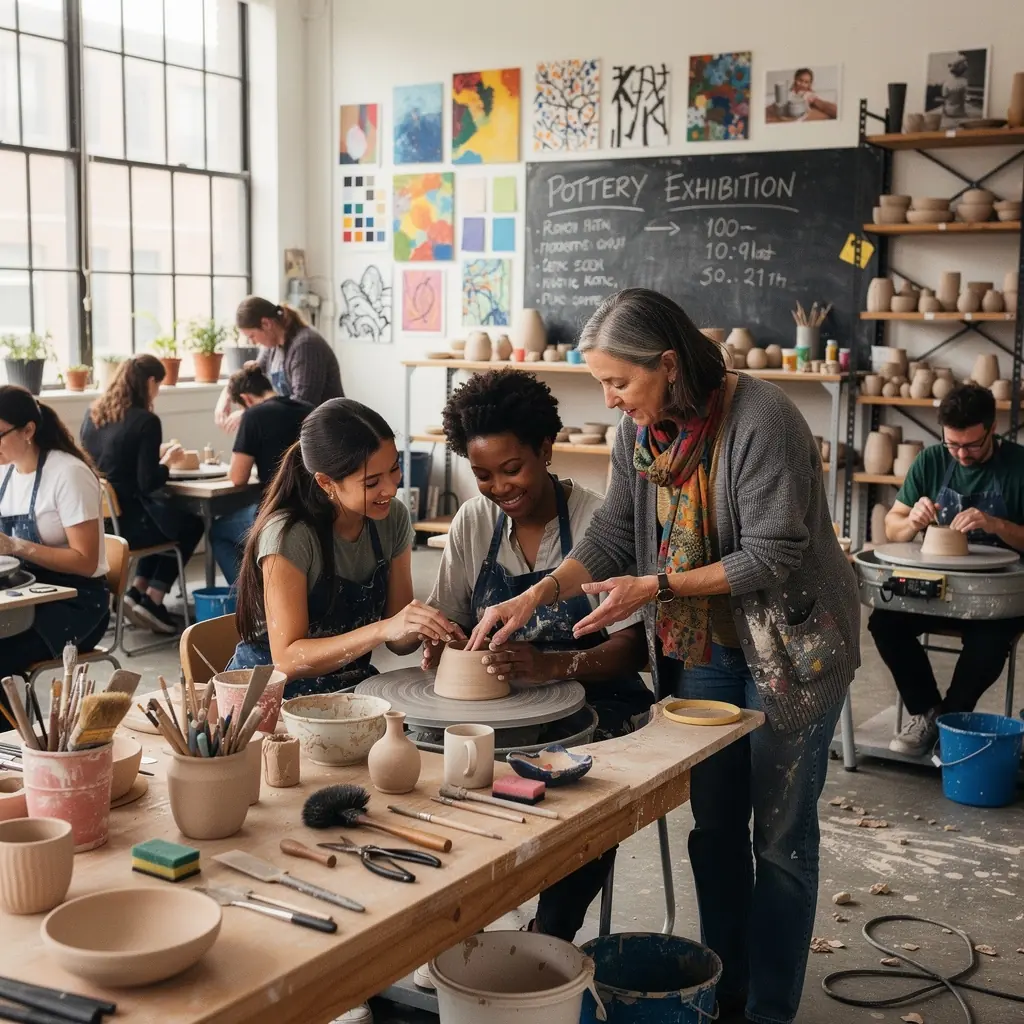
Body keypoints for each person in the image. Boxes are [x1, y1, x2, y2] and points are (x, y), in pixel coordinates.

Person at [468, 289, 860, 1024]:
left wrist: (657, 585)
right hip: (702, 644)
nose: (609, 399)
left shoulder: (762, 420)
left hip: (790, 646)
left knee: (780, 839)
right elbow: (616, 531)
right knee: (715, 831)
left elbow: (773, 554)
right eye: (602, 383)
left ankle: (769, 1011)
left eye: (619, 381)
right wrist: (539, 594)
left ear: (669, 365)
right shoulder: (639, 434)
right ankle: (727, 993)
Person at [423, 367, 652, 947]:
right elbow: (450, 621)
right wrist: (439, 639)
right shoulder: (474, 521)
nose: (499, 487)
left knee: (589, 793)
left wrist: (552, 666)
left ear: (546, 449)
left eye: (512, 468)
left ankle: (549, 936)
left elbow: (632, 648)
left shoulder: (598, 521)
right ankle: (453, 931)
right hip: (499, 702)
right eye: (482, 475)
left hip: (594, 700)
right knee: (433, 772)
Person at [228, 398, 456, 698]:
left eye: (394, 469)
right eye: (372, 482)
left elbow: (399, 643)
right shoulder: (289, 534)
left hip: (347, 684)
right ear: (326, 483)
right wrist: (382, 629)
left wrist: (427, 627)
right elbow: (288, 659)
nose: (391, 488)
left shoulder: (392, 518)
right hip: (270, 695)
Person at [870, 384, 1024, 756]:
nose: (961, 454)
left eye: (971, 445)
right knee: (885, 622)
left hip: (997, 594)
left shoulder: (1019, 466)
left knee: (990, 642)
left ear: (992, 428)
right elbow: (892, 527)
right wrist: (912, 521)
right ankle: (927, 712)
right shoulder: (931, 461)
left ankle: (951, 721)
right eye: (953, 444)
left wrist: (996, 524)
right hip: (937, 586)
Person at [81, 354, 203, 635]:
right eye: (158, 384)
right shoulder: (146, 421)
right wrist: (167, 462)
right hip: (131, 524)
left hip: (103, 523)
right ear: (149, 382)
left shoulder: (93, 414)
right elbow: (148, 483)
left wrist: (152, 455)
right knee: (190, 524)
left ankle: (136, 592)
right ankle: (154, 598)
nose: (157, 391)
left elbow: (112, 460)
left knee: (165, 521)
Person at [0, 386, 110, 687]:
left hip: (76, 602)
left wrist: (17, 546)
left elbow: (86, 562)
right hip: (25, 592)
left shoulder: (68, 474)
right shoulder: (5, 472)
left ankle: (15, 719)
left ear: (28, 430)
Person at [209, 365, 312, 585]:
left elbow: (238, 477)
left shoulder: (253, 416)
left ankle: (247, 597)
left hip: (274, 512)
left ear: (246, 399)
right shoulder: (308, 409)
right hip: (313, 508)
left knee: (217, 532)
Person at [214, 297, 343, 432]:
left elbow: (302, 406)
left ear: (266, 324)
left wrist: (251, 414)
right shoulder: (272, 347)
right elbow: (250, 374)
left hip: (329, 432)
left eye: (252, 336)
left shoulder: (305, 345)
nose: (253, 342)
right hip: (302, 429)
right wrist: (225, 396)